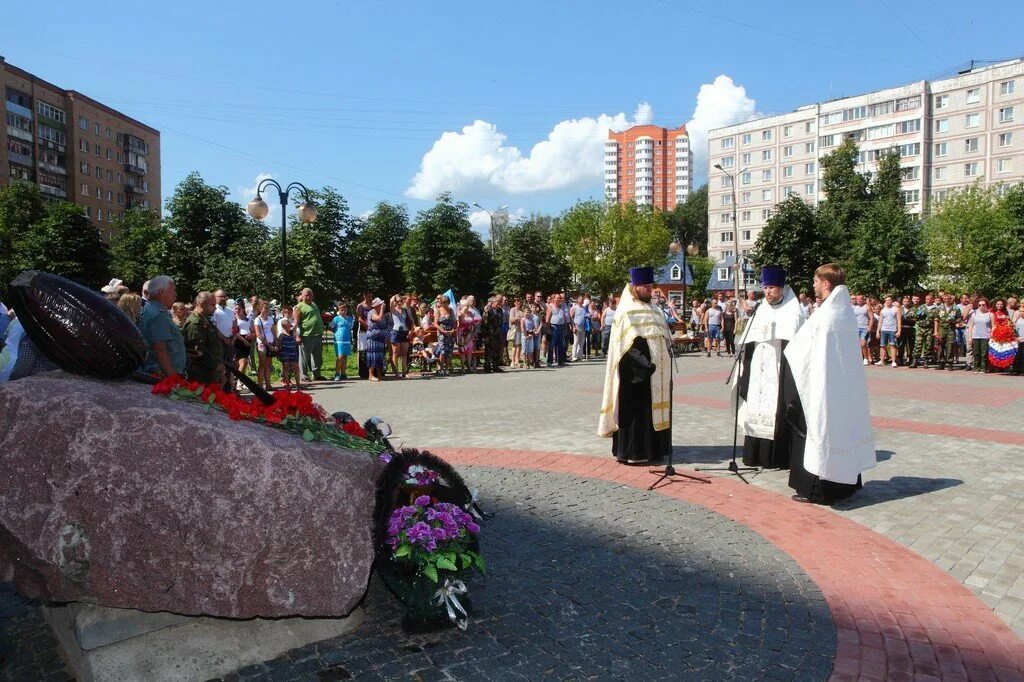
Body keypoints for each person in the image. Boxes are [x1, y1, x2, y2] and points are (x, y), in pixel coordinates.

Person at [786, 264, 875, 504]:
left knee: (821, 430)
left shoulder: (827, 315)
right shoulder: (842, 311)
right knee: (842, 429)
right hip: (842, 387)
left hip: (823, 385)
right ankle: (845, 485)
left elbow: (802, 347)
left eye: (816, 280)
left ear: (826, 284)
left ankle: (818, 489)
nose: (813, 284)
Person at [599, 267, 673, 465]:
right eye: (646, 286)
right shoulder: (626, 311)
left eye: (651, 285)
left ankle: (655, 449)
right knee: (637, 413)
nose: (650, 289)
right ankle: (634, 451)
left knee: (651, 411)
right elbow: (624, 346)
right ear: (635, 287)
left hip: (656, 375)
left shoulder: (655, 309)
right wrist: (644, 364)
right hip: (635, 373)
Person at [734, 267, 806, 470]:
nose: (767, 292)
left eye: (771, 288)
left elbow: (797, 343)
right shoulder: (760, 310)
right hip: (758, 367)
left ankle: (775, 457)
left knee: (776, 407)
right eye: (765, 288)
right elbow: (748, 339)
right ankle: (753, 455)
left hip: (778, 369)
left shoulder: (794, 311)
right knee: (755, 406)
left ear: (781, 288)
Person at [137, 275, 186, 378]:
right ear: (162, 293)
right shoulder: (158, 315)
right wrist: (174, 380)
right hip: (163, 375)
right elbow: (160, 351)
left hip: (156, 372)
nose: (175, 295)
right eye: (173, 291)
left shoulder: (150, 309)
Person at [182, 291, 225, 385]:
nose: (215, 308)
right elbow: (197, 351)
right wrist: (216, 365)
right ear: (202, 304)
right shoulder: (194, 323)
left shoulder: (205, 320)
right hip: (200, 374)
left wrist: (219, 370)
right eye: (213, 305)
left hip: (211, 371)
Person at [294, 288, 324, 382]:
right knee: (304, 357)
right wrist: (297, 336)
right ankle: (303, 375)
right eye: (306, 295)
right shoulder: (299, 307)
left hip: (317, 334)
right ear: (302, 296)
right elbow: (296, 323)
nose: (308, 297)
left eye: (310, 295)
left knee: (317, 356)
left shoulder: (314, 304)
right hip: (306, 335)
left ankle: (316, 374)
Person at [252, 300, 276, 391]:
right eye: (265, 308)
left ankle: (268, 385)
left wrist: (276, 342)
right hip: (262, 343)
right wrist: (267, 344)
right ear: (260, 309)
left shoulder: (270, 318)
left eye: (268, 308)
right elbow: (258, 334)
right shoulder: (258, 319)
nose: (267, 310)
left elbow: (273, 331)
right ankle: (260, 385)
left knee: (268, 365)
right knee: (262, 364)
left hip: (271, 343)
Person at [365, 297, 389, 382]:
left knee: (379, 356)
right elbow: (378, 319)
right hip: (373, 338)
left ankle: (379, 374)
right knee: (373, 356)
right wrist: (382, 309)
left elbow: (384, 326)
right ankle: (370, 375)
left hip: (380, 338)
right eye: (380, 304)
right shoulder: (372, 312)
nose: (382, 305)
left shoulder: (381, 313)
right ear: (376, 305)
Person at [934, 293, 961, 371]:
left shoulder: (956, 308)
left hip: (950, 330)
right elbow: (936, 320)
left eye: (948, 299)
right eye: (945, 299)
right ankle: (941, 363)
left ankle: (950, 363)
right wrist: (936, 331)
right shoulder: (939, 308)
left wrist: (954, 321)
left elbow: (959, 319)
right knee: (940, 346)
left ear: (951, 299)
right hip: (941, 329)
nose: (946, 300)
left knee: (950, 346)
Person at [388, 295, 411, 378]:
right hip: (396, 332)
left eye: (401, 301)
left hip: (405, 332)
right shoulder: (394, 310)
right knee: (395, 353)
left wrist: (411, 330)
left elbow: (411, 320)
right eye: (398, 301)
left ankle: (404, 372)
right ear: (395, 302)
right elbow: (390, 302)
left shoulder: (405, 310)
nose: (400, 302)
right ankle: (396, 372)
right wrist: (394, 297)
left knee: (404, 353)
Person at [968, 299, 994, 373]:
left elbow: (993, 326)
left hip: (986, 336)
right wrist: (970, 337)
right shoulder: (974, 314)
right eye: (979, 305)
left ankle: (984, 368)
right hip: (976, 335)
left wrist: (992, 336)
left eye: (983, 305)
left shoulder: (990, 314)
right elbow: (971, 326)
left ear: (987, 305)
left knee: (984, 353)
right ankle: (976, 367)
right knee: (976, 353)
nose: (981, 306)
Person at [329, 302, 354, 381]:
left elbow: (351, 327)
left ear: (347, 310)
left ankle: (343, 374)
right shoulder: (336, 319)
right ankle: (337, 374)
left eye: (345, 310)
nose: (343, 312)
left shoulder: (350, 318)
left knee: (345, 357)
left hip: (347, 340)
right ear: (338, 310)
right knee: (340, 357)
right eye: (341, 310)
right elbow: (331, 326)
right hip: (339, 340)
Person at [232, 301, 253, 391]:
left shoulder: (247, 319)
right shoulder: (234, 319)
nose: (237, 310)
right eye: (235, 308)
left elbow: (253, 330)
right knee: (242, 362)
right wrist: (244, 340)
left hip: (247, 341)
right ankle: (237, 382)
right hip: (239, 341)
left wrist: (252, 335)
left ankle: (241, 381)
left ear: (243, 309)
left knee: (245, 363)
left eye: (238, 308)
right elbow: (235, 332)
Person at [876, 296, 901, 367]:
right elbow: (880, 322)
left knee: (892, 345)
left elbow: (899, 321)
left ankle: (893, 361)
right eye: (886, 300)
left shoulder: (896, 309)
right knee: (882, 345)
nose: (888, 301)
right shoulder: (882, 310)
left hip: (892, 330)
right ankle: (882, 361)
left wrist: (899, 331)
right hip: (884, 330)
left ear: (892, 301)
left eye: (889, 300)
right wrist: (878, 331)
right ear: (885, 301)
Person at [482, 296, 505, 373]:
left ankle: (495, 366)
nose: (498, 303)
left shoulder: (500, 310)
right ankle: (487, 366)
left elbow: (501, 321)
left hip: (497, 333)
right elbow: (484, 324)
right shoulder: (488, 311)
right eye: (496, 302)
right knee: (489, 350)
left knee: (497, 350)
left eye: (499, 302)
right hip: (489, 334)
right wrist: (485, 335)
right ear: (492, 303)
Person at [276, 317, 300, 390]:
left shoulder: (292, 332)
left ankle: (298, 384)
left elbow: (296, 324)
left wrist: (297, 318)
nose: (290, 326)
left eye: (289, 325)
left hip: (293, 352)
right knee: (285, 367)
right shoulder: (281, 335)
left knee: (296, 367)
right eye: (288, 325)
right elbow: (279, 344)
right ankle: (287, 384)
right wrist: (278, 353)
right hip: (284, 352)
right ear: (284, 326)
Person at [435, 297, 456, 376]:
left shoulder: (451, 310)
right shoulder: (438, 311)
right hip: (441, 333)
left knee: (449, 351)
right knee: (442, 350)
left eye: (445, 302)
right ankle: (440, 368)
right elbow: (435, 323)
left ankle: (447, 368)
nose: (444, 304)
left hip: (450, 332)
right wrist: (442, 331)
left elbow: (454, 322)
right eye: (442, 302)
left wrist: (453, 330)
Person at [913, 294, 934, 367]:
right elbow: (914, 316)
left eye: (928, 299)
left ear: (932, 299)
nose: (926, 300)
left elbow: (937, 320)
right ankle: (915, 361)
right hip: (921, 328)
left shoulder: (935, 309)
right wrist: (918, 315)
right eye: (926, 299)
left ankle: (926, 361)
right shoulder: (921, 307)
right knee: (918, 344)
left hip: (930, 329)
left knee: (928, 345)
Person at [852, 294, 871, 366]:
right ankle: (858, 358)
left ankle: (865, 358)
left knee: (863, 344)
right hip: (856, 328)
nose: (859, 300)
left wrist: (869, 327)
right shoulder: (853, 308)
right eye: (857, 299)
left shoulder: (866, 307)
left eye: (860, 299)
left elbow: (871, 317)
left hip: (864, 328)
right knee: (856, 345)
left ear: (863, 300)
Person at [899, 295, 916, 367]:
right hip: (901, 329)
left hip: (910, 329)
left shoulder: (914, 309)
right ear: (902, 302)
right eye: (904, 301)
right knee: (901, 345)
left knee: (910, 346)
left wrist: (907, 319)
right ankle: (900, 360)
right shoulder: (899, 309)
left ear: (910, 302)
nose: (906, 303)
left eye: (908, 301)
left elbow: (916, 319)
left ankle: (911, 360)